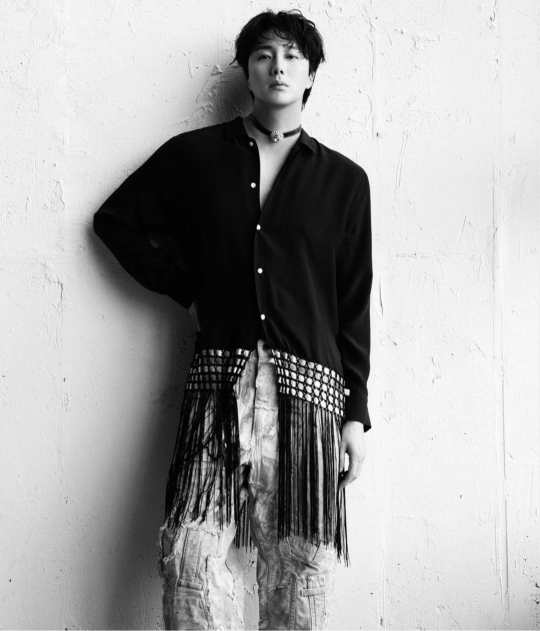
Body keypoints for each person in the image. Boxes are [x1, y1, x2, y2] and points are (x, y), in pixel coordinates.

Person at [92, 8, 372, 630]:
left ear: (311, 75)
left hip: (311, 397)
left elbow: (353, 301)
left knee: (302, 567)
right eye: (265, 54)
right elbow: (115, 221)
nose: (279, 67)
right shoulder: (196, 157)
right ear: (246, 71)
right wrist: (187, 289)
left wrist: (356, 415)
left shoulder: (345, 181)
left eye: (293, 56)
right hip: (219, 382)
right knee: (189, 557)